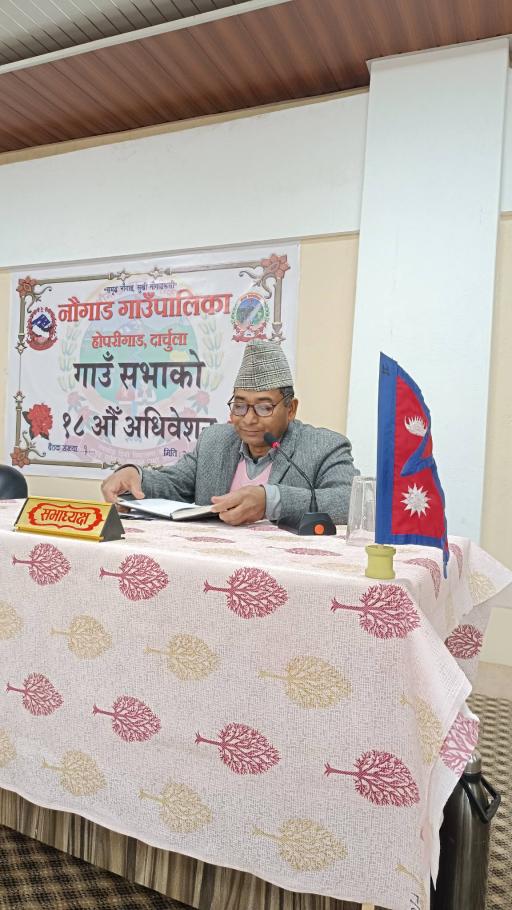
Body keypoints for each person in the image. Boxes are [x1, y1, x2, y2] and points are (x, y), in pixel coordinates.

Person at [101, 340, 359, 526]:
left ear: (290, 409)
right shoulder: (215, 440)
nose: (248, 419)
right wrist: (135, 476)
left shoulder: (324, 446)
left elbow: (350, 502)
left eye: (264, 407)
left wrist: (271, 501)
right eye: (239, 405)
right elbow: (175, 484)